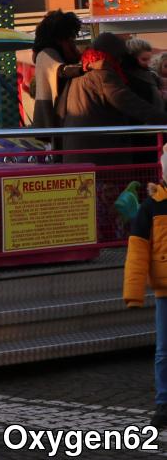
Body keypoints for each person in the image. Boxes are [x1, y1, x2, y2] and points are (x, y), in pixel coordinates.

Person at [61, 32, 164, 169]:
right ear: (113, 56)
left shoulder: (83, 69)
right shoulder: (102, 73)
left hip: (80, 150)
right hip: (99, 153)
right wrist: (162, 118)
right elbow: (128, 102)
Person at [123, 145, 167, 430]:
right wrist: (133, 292)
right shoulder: (150, 207)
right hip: (164, 290)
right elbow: (137, 253)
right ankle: (163, 402)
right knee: (164, 351)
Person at [28, 10, 83, 129]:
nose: (72, 42)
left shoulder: (50, 53)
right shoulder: (46, 53)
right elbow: (62, 70)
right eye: (69, 38)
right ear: (59, 38)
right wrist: (86, 67)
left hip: (58, 115)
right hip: (54, 116)